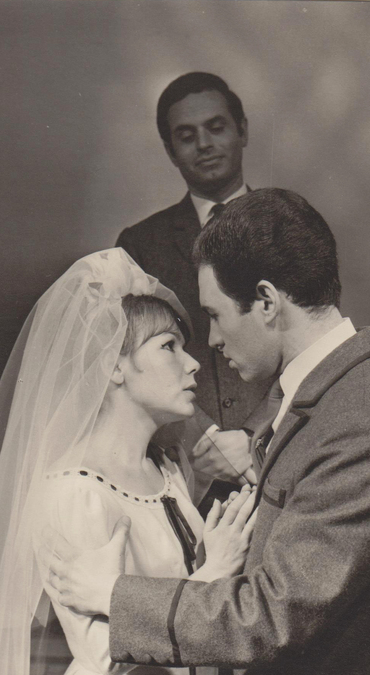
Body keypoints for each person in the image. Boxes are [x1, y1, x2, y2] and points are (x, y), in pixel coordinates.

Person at [45, 190, 370, 675]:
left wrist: (113, 595)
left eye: (214, 315)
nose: (209, 342)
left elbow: (274, 612)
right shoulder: (328, 399)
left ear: (266, 301)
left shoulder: (361, 420)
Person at [0, 248, 256, 675]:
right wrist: (214, 573)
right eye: (168, 347)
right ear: (113, 366)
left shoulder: (166, 471)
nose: (192, 364)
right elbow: (102, 654)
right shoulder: (72, 490)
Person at [116, 72, 273, 492]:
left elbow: (311, 342)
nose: (204, 144)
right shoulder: (140, 244)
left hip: (278, 454)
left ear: (242, 131)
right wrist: (206, 442)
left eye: (216, 127)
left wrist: (254, 436)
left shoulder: (287, 225)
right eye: (186, 136)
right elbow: (132, 357)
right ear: (171, 151)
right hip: (187, 466)